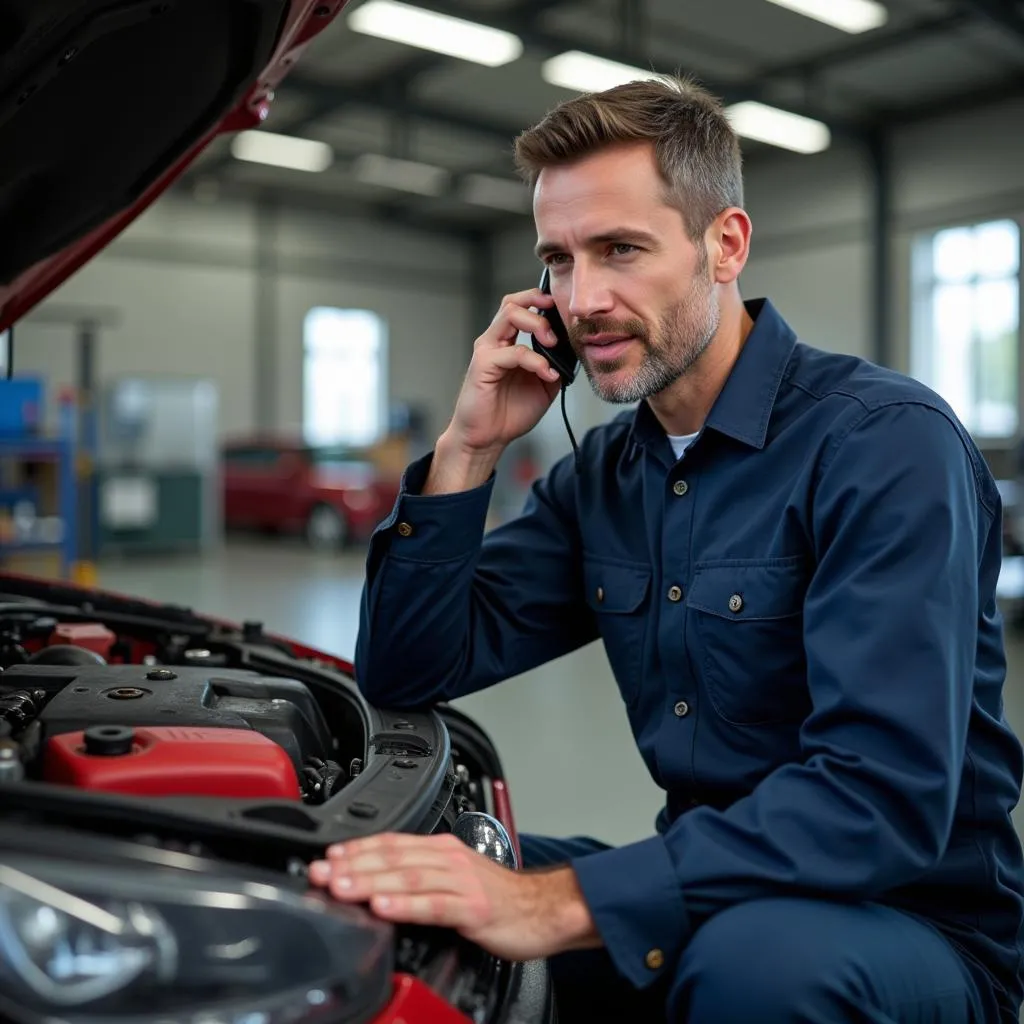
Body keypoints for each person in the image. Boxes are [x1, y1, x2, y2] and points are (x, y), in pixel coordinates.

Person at [307, 76, 1024, 1023]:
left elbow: (880, 796)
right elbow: (407, 665)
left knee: (753, 967)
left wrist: (554, 905)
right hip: (717, 892)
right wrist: (470, 448)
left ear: (723, 245)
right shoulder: (604, 478)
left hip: (905, 927)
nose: (583, 298)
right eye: (557, 260)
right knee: (409, 899)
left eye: (621, 250)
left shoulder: (884, 445)